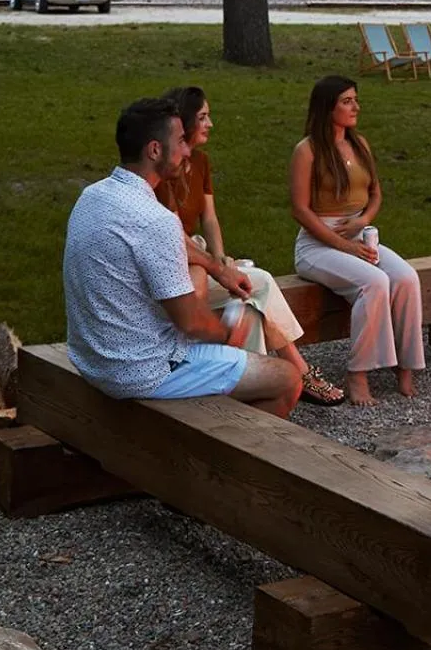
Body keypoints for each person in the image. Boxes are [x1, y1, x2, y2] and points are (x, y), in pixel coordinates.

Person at [63, 97, 301, 418]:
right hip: (142, 370)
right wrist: (229, 335)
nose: (188, 151)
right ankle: (227, 459)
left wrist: (217, 268)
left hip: (91, 358)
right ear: (155, 150)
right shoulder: (155, 220)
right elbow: (190, 323)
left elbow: (169, 240)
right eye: (180, 143)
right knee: (287, 379)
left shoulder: (93, 196)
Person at [156, 86, 344, 406]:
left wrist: (221, 261)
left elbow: (210, 220)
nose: (210, 123)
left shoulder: (200, 161)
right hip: (180, 263)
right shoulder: (166, 170)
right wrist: (216, 267)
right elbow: (174, 236)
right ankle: (296, 372)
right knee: (260, 285)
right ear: (184, 124)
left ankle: (250, 387)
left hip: (199, 256)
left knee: (249, 308)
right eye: (203, 117)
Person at [290, 74, 424, 405]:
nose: (356, 107)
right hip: (317, 243)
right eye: (347, 101)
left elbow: (376, 193)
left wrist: (362, 222)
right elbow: (300, 210)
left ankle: (406, 365)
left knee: (406, 278)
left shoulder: (360, 144)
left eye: (356, 100)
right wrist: (346, 245)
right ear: (327, 107)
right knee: (374, 282)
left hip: (359, 233)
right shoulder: (307, 151)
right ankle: (358, 373)